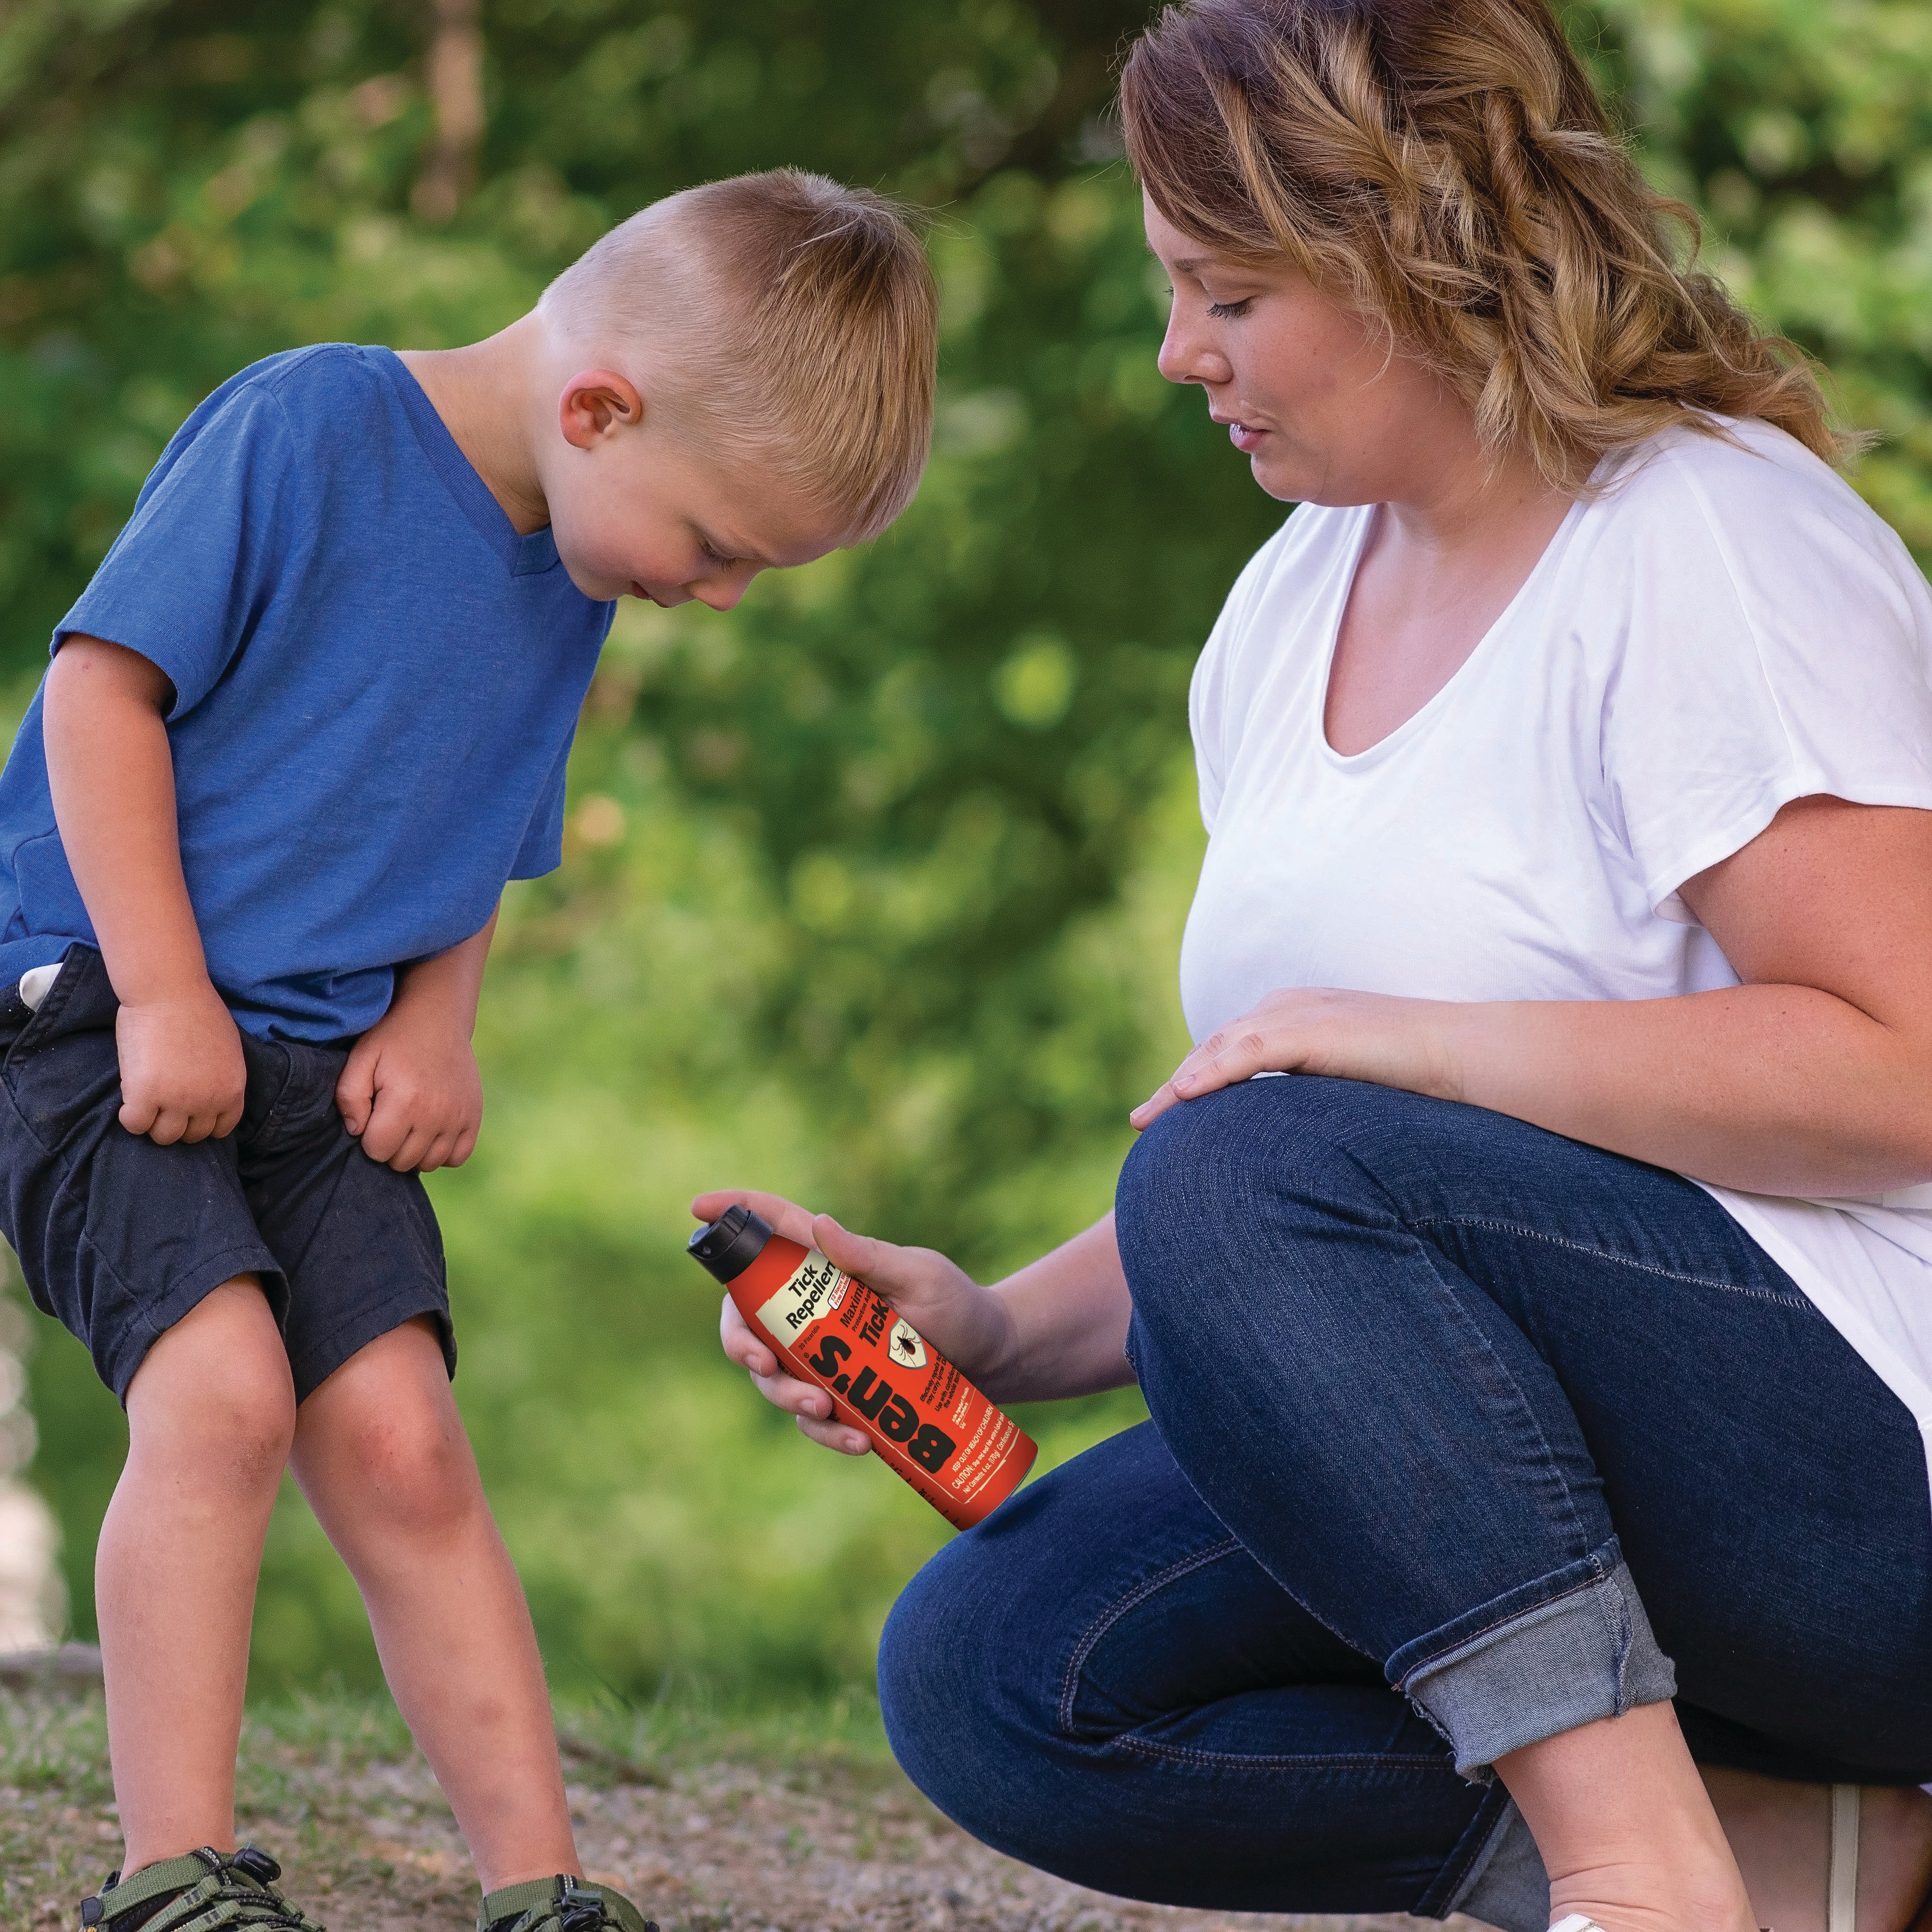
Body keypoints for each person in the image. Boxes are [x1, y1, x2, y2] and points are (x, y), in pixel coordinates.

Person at [710, 7, 1932, 1932]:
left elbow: (1904, 1072)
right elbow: (1291, 1171)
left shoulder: (1703, 540)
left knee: (1252, 1163)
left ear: (1405, 255)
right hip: (1576, 1478)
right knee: (1004, 1669)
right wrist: (1000, 1328)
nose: (1180, 351)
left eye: (1226, 293)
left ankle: (1639, 1879)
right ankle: (1807, 1862)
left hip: (1862, 1489)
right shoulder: (1286, 606)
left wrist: (1427, 1051)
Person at [0, 169, 937, 1932]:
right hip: (96, 1014)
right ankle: (168, 1874)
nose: (719, 596)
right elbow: (93, 695)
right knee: (223, 1399)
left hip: (319, 1058)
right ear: (600, 408)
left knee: (409, 1445)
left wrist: (440, 1020)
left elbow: (478, 821)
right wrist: (167, 992)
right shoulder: (310, 427)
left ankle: (540, 1886)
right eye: (721, 547)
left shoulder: (569, 569)